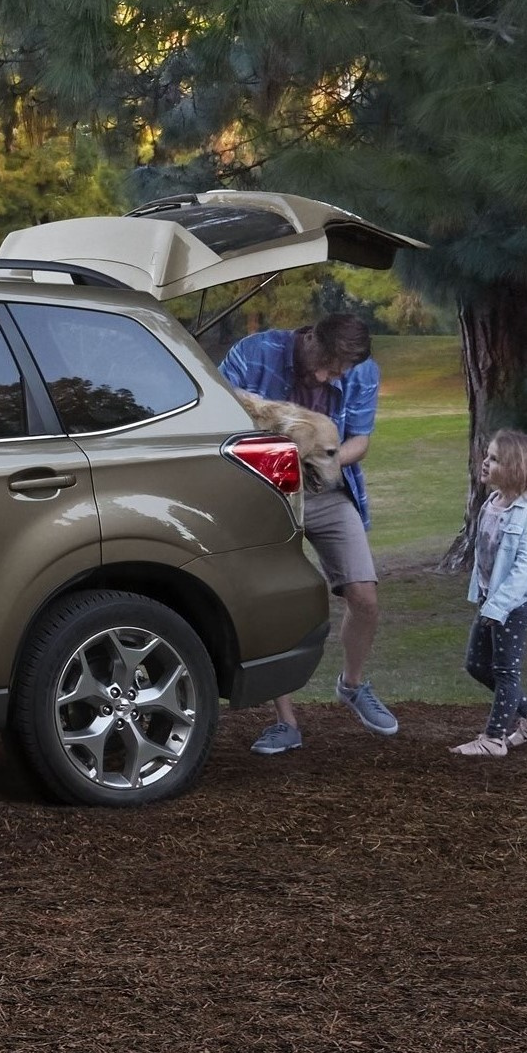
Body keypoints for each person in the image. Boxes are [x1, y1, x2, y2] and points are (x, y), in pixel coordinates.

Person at [219, 310, 395, 751]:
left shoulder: (362, 371)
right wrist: (281, 460)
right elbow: (219, 423)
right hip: (264, 491)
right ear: (310, 336)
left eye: (336, 372)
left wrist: (322, 459)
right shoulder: (254, 353)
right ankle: (286, 722)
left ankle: (352, 684)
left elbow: (361, 440)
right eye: (323, 363)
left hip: (326, 488)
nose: (324, 376)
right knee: (277, 601)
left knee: (365, 596)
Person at [454, 429, 527, 758]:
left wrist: (496, 606)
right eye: (488, 455)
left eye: (495, 459)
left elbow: (523, 570)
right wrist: (485, 599)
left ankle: (494, 739)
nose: (485, 462)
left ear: (516, 469)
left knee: (505, 671)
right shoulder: (492, 502)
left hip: (518, 603)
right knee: (475, 665)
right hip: (492, 600)